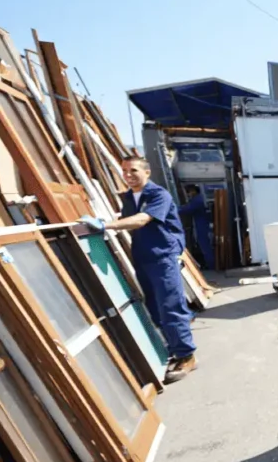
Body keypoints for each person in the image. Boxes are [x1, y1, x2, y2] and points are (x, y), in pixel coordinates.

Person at [78, 157, 197, 384]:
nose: (128, 175)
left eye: (133, 170)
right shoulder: (130, 197)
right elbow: (127, 218)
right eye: (124, 171)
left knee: (171, 306)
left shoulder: (158, 195)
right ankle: (176, 348)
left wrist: (107, 226)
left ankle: (187, 356)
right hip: (143, 257)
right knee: (154, 306)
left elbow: (142, 220)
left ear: (147, 172)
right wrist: (106, 221)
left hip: (162, 257)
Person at [179, 184, 214, 270]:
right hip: (202, 226)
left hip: (202, 227)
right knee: (205, 246)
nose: (188, 194)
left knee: (205, 246)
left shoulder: (197, 200)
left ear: (194, 191)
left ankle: (211, 265)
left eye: (189, 192)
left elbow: (187, 209)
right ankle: (210, 264)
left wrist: (172, 209)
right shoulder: (198, 199)